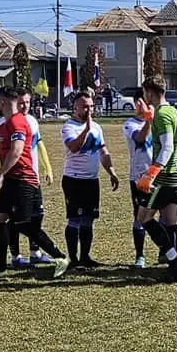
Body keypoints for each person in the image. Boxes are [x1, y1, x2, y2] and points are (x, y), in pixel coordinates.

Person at [0, 85, 66, 275]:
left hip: (23, 180)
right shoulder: (8, 122)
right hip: (12, 180)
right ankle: (0, 268)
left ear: (2, 101)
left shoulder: (17, 122)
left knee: (22, 224)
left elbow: (17, 151)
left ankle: (60, 257)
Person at [60, 86, 121, 269]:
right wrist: (86, 129)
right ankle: (73, 259)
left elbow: (103, 150)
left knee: (88, 219)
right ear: (75, 108)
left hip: (91, 181)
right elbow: (74, 147)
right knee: (74, 219)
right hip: (74, 180)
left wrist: (111, 171)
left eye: (91, 106)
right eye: (85, 106)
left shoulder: (96, 127)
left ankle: (85, 257)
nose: (89, 110)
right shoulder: (68, 127)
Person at [137, 77, 177, 282]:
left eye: (145, 92)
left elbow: (167, 147)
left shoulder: (162, 114)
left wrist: (151, 173)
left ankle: (175, 261)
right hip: (176, 174)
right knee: (173, 220)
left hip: (164, 176)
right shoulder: (173, 111)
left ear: (150, 92)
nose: (144, 96)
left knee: (144, 218)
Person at [121, 91, 155, 269]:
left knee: (165, 215)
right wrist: (148, 120)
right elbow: (140, 139)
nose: (143, 106)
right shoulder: (130, 124)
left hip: (159, 175)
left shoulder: (159, 121)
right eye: (140, 103)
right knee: (139, 217)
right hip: (139, 178)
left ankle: (165, 251)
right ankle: (140, 255)